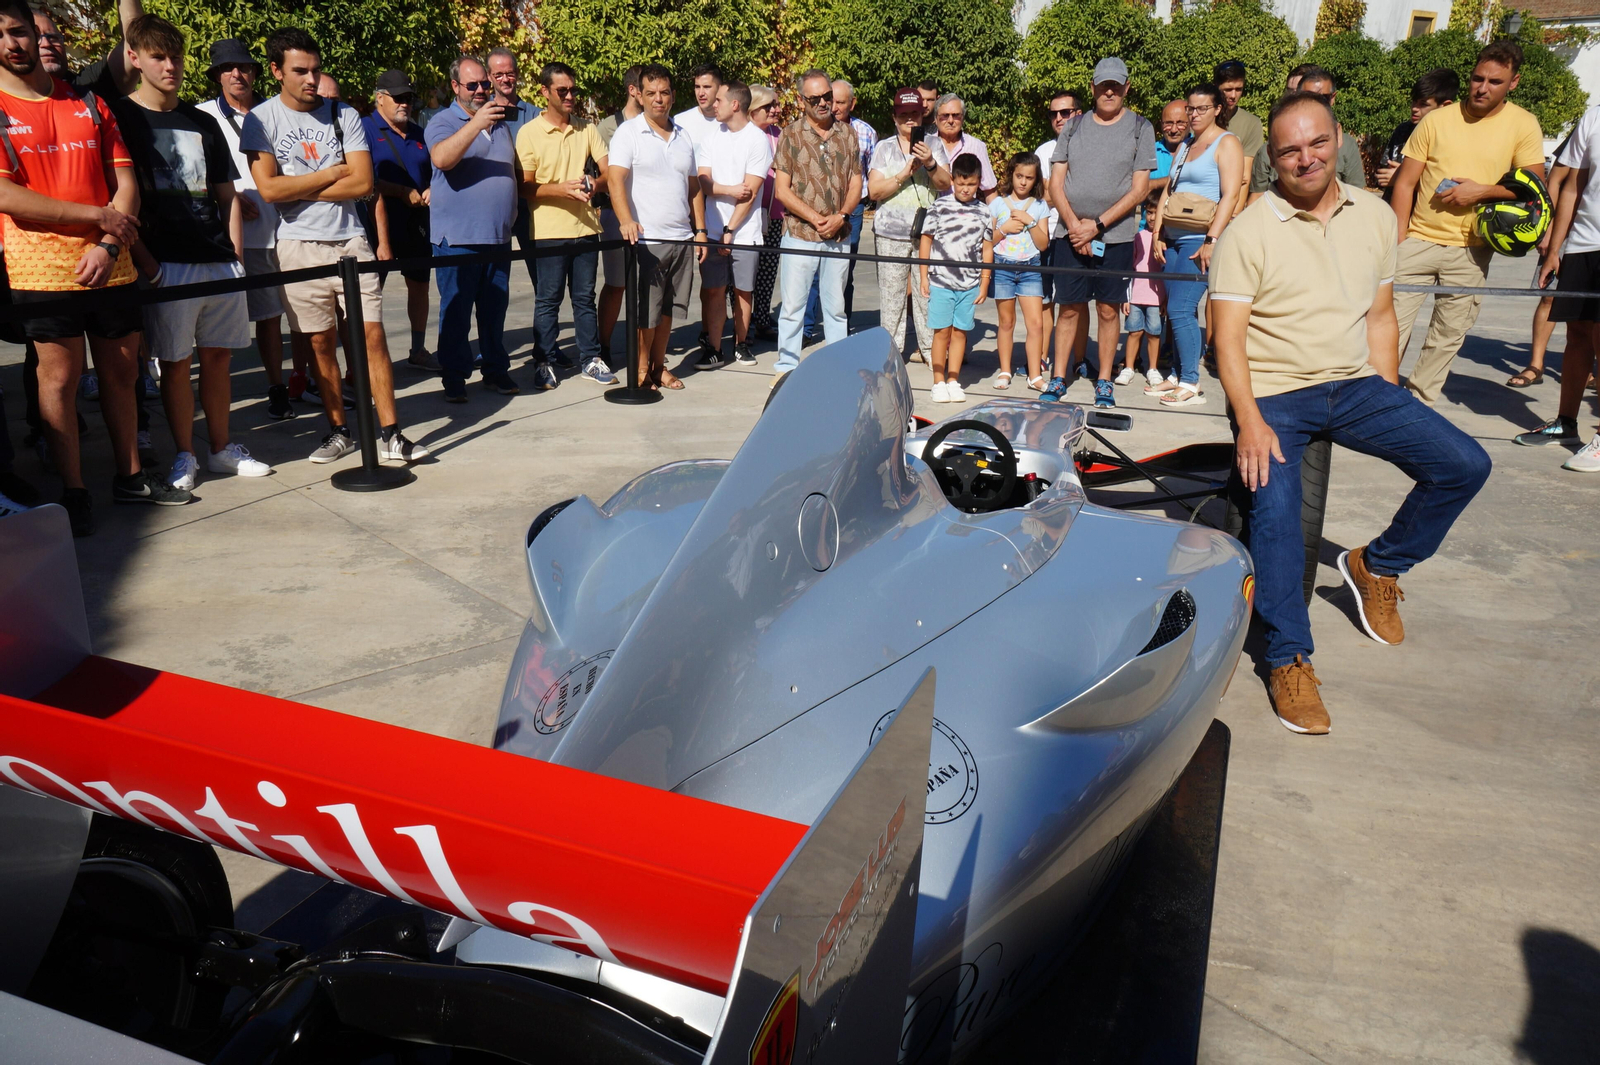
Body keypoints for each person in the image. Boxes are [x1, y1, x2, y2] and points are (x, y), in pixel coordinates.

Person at [1212, 91, 1491, 735]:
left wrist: (1389, 393)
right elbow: (1228, 340)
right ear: (1271, 160)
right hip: (1275, 393)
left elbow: (1382, 315)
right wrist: (1249, 420)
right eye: (1288, 150)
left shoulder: (1374, 216)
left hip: (1356, 385)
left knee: (1464, 463)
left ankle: (1378, 564)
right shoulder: (1249, 231)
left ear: (1339, 138)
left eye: (1315, 142)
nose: (1304, 159)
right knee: (1276, 515)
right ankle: (1289, 657)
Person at [0, 0, 175, 533]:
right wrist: (95, 216)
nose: (13, 44)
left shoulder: (90, 101)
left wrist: (107, 242)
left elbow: (125, 182)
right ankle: (74, 490)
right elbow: (7, 195)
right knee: (60, 382)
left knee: (123, 374)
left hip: (111, 261)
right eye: (3, 35)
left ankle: (131, 474)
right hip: (40, 271)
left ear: (35, 34)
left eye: (19, 31)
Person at [240, 27, 428, 464]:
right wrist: (329, 174)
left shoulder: (343, 114)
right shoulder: (261, 119)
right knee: (319, 343)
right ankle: (338, 429)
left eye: (316, 69)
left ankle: (391, 432)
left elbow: (362, 182)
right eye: (299, 70)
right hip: (296, 245)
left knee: (372, 336)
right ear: (276, 72)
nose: (310, 79)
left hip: (350, 242)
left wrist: (297, 186)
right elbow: (268, 190)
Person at [113, 14, 270, 491]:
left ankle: (220, 449)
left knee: (219, 358)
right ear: (135, 59)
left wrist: (237, 260)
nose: (170, 66)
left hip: (218, 259)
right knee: (176, 363)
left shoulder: (203, 121)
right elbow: (117, 196)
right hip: (166, 265)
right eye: (159, 57)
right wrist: (150, 267)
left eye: (176, 56)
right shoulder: (121, 116)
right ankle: (186, 453)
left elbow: (228, 198)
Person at [1388, 40, 1545, 404]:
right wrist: (1399, 239)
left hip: (1472, 249)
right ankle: (1377, 396)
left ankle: (1418, 404)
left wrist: (1481, 192)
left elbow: (1532, 190)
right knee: (1388, 324)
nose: (1482, 88)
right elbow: (1406, 183)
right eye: (1477, 78)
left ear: (1513, 83)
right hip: (1417, 240)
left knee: (1447, 335)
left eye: (1494, 82)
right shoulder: (1437, 120)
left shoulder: (1523, 124)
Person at [1043, 57, 1154, 408]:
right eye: (1103, 85)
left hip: (1116, 236)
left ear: (1126, 87)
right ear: (1092, 87)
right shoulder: (1073, 127)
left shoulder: (1140, 127)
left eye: (1116, 85)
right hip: (1070, 234)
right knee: (1069, 308)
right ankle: (1058, 376)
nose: (1109, 91)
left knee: (1108, 310)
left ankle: (1104, 379)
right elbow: (1055, 184)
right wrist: (1076, 227)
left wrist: (1098, 226)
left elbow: (1139, 190)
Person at [198, 38, 297, 419]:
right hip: (237, 238)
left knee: (281, 317)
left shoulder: (276, 112)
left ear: (256, 72)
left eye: (244, 67)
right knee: (224, 324)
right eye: (228, 68)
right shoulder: (203, 116)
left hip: (286, 230)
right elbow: (193, 175)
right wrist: (232, 200)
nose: (237, 74)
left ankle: (283, 385)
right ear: (218, 76)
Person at [608, 63, 707, 391]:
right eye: (651, 93)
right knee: (645, 314)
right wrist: (625, 220)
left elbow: (693, 187)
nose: (658, 99)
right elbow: (615, 179)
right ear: (640, 94)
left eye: (664, 93)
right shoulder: (629, 133)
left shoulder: (683, 136)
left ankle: (658, 367)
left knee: (668, 311)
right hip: (647, 239)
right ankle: (640, 371)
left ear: (673, 95)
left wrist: (701, 231)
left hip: (681, 237)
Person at [426, 54, 519, 400]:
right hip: (458, 240)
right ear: (455, 87)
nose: (482, 90)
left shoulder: (502, 125)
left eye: (485, 83)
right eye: (473, 85)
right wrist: (476, 123)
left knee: (495, 312)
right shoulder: (443, 121)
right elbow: (442, 158)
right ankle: (454, 380)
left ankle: (496, 371)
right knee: (456, 313)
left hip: (497, 237)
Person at [518, 61, 615, 387]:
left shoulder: (587, 128)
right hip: (548, 231)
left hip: (586, 228)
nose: (571, 95)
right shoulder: (529, 133)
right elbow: (525, 187)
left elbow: (609, 173)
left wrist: (594, 184)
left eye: (574, 90)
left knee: (584, 297)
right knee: (548, 299)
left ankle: (591, 358)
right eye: (563, 91)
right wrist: (562, 189)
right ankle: (543, 360)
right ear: (545, 92)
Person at [1149, 82, 1242, 408]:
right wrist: (1159, 230)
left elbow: (1230, 195)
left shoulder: (1226, 143)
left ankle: (1191, 382)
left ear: (1218, 109)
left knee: (1181, 308)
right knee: (1173, 310)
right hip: (1173, 238)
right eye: (1190, 108)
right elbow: (1168, 191)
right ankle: (1176, 374)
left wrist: (1212, 239)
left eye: (1201, 108)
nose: (1194, 114)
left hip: (1200, 238)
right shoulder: (1187, 145)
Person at [1524, 103, 1600, 472]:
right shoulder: (1595, 114)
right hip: (1584, 241)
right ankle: (1566, 424)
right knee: (1578, 334)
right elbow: (1573, 185)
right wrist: (1556, 247)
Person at [772, 68, 861, 381]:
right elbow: (781, 189)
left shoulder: (848, 134)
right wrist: (815, 218)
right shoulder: (790, 135)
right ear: (801, 100)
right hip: (800, 235)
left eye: (828, 97)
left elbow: (856, 181)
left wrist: (842, 216)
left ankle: (837, 368)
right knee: (793, 307)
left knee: (836, 306)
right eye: (816, 99)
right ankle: (786, 369)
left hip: (838, 235)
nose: (824, 103)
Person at [362, 69, 434, 373]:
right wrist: (401, 192)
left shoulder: (419, 133)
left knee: (419, 285)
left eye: (409, 98)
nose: (405, 103)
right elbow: (365, 180)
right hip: (377, 226)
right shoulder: (364, 129)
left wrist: (432, 188)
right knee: (370, 292)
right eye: (398, 98)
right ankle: (367, 359)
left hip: (416, 223)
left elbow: (435, 171)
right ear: (380, 99)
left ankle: (418, 349)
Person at [697, 80, 771, 368]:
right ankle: (714, 349)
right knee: (714, 289)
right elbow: (704, 181)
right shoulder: (712, 138)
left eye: (719, 100)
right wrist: (728, 190)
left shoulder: (756, 140)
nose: (714, 104)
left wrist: (731, 229)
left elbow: (750, 193)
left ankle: (741, 344)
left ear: (735, 104)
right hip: (714, 231)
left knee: (742, 290)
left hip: (745, 233)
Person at [801, 79, 875, 338]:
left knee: (844, 272)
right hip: (817, 209)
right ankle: (807, 328)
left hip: (851, 211)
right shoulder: (810, 130)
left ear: (852, 103)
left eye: (841, 102)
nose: (833, 107)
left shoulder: (865, 132)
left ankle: (842, 328)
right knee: (812, 272)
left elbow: (866, 173)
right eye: (832, 100)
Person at [870, 87, 938, 365]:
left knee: (927, 294)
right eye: (903, 115)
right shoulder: (884, 148)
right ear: (894, 117)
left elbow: (946, 184)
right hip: (890, 233)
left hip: (927, 234)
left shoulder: (934, 144)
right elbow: (874, 191)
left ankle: (930, 350)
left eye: (914, 114)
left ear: (923, 114)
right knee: (892, 296)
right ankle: (892, 352)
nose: (910, 120)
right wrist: (903, 174)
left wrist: (930, 162)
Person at [486, 47, 547, 362]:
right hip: (494, 210)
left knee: (543, 281)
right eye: (499, 74)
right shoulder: (480, 114)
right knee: (494, 285)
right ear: (489, 77)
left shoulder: (535, 114)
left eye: (509, 72)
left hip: (529, 208)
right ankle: (492, 349)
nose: (505, 78)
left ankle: (544, 348)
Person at [920, 154, 992, 403]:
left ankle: (953, 379)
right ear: (952, 180)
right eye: (961, 183)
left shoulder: (984, 212)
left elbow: (987, 248)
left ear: (979, 183)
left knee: (961, 332)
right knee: (941, 332)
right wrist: (923, 276)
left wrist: (984, 282)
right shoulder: (939, 207)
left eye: (971, 184)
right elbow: (926, 240)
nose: (965, 189)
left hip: (969, 284)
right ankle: (938, 381)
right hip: (940, 281)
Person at [1248, 68, 1365, 201]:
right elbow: (1257, 196)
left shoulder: (1348, 145)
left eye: (1319, 143)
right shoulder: (1266, 152)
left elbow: (1356, 195)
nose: (1306, 160)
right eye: (1290, 151)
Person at [676, 63, 725, 359]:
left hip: (718, 214)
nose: (701, 93)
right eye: (697, 87)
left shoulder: (727, 122)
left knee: (713, 284)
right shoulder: (681, 122)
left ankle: (711, 333)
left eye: (707, 86)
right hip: (684, 213)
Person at [989, 152, 1049, 390]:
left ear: (1036, 180)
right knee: (1006, 322)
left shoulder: (1040, 206)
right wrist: (1004, 229)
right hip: (1003, 267)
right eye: (1019, 176)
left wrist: (1030, 221)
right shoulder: (997, 204)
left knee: (1035, 324)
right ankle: (1005, 371)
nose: (1023, 182)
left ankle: (1035, 375)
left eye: (1029, 178)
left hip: (1030, 268)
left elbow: (1043, 244)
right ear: (1011, 175)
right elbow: (987, 241)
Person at [595, 65, 642, 366]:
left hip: (650, 215)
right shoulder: (608, 127)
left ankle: (643, 352)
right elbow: (604, 176)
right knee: (617, 284)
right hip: (615, 215)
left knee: (647, 287)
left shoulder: (664, 124)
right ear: (633, 90)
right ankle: (604, 346)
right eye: (646, 89)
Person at [1036, 91, 1083, 374]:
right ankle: (1042, 357)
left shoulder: (1093, 148)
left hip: (1078, 232)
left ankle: (1079, 360)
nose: (1058, 118)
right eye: (1054, 113)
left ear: (1078, 113)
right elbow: (1044, 194)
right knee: (1045, 299)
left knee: (1076, 301)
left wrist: (1058, 192)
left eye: (1065, 112)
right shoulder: (1044, 151)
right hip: (1048, 232)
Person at [1374, 69, 1459, 198]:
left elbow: (1453, 189)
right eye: (1414, 101)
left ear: (1445, 105)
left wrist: (1404, 179)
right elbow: (1382, 176)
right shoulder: (1403, 131)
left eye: (1423, 104)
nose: (1414, 108)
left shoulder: (1456, 139)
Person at [747, 84, 784, 341]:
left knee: (768, 270)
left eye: (776, 105)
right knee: (746, 271)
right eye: (768, 106)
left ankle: (761, 318)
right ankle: (744, 322)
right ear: (752, 109)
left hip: (774, 216)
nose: (775, 110)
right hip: (747, 215)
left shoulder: (780, 136)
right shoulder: (742, 135)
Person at [1121, 209, 1163, 387]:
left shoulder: (1165, 239)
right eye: (1149, 212)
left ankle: (1153, 369)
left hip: (1156, 298)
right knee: (1134, 332)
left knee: (1154, 333)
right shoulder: (1138, 237)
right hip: (1136, 296)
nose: (1152, 217)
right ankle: (1129, 368)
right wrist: (1126, 297)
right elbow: (1130, 268)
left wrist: (1165, 299)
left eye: (1156, 213)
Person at [1213, 59, 1261, 208]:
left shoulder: (1252, 124)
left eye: (1239, 89)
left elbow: (1244, 179)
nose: (1233, 95)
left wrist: (1233, 217)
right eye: (1228, 89)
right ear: (1216, 87)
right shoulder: (1200, 118)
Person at [926, 93, 992, 199]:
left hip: (966, 213)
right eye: (945, 116)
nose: (951, 120)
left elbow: (990, 191)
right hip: (933, 213)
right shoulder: (926, 144)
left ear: (963, 119)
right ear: (936, 119)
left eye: (956, 115)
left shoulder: (977, 146)